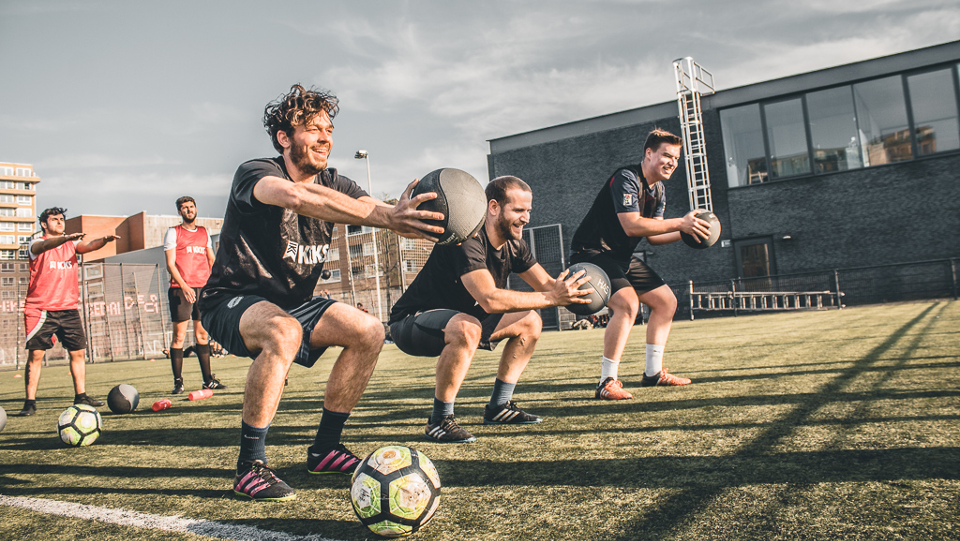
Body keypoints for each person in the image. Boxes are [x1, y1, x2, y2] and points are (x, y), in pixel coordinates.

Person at [198, 84, 441, 502]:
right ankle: (250, 466)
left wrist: (401, 217)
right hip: (231, 299)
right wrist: (386, 216)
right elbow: (298, 197)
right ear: (284, 138)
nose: (325, 137)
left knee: (367, 330)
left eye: (328, 129)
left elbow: (367, 207)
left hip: (294, 305)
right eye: (312, 128)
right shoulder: (256, 172)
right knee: (284, 331)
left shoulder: (338, 183)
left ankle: (325, 448)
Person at [389, 175, 589, 443]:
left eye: (528, 211)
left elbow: (548, 286)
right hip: (411, 322)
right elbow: (489, 299)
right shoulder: (467, 237)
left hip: (465, 321)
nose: (526, 218)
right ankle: (439, 420)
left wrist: (579, 292)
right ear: (493, 207)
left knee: (529, 321)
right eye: (518, 210)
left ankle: (499, 407)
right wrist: (553, 297)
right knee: (466, 327)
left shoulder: (514, 245)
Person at [569, 128, 714, 400]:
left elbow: (654, 236)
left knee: (666, 302)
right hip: (590, 253)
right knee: (627, 305)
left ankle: (653, 373)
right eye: (666, 155)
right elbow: (631, 224)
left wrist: (688, 233)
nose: (673, 162)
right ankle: (606, 383)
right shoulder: (626, 178)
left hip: (620, 257)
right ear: (649, 154)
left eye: (676, 158)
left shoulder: (659, 190)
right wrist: (681, 222)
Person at [17, 207, 120, 416]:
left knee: (78, 352)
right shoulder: (36, 243)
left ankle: (81, 396)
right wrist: (65, 238)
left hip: (69, 308)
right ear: (44, 224)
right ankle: (29, 402)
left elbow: (89, 246)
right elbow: (46, 244)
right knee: (36, 355)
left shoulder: (71, 244)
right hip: (41, 309)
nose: (60, 222)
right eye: (54, 220)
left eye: (62, 219)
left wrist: (105, 240)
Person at [164, 195, 224, 394]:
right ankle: (178, 382)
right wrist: (184, 286)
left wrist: (215, 283)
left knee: (202, 334)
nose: (189, 210)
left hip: (203, 289)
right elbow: (170, 264)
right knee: (179, 336)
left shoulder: (204, 232)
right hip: (181, 289)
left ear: (196, 208)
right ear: (180, 212)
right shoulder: (173, 232)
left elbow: (211, 259)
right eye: (184, 207)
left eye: (191, 206)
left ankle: (208, 380)